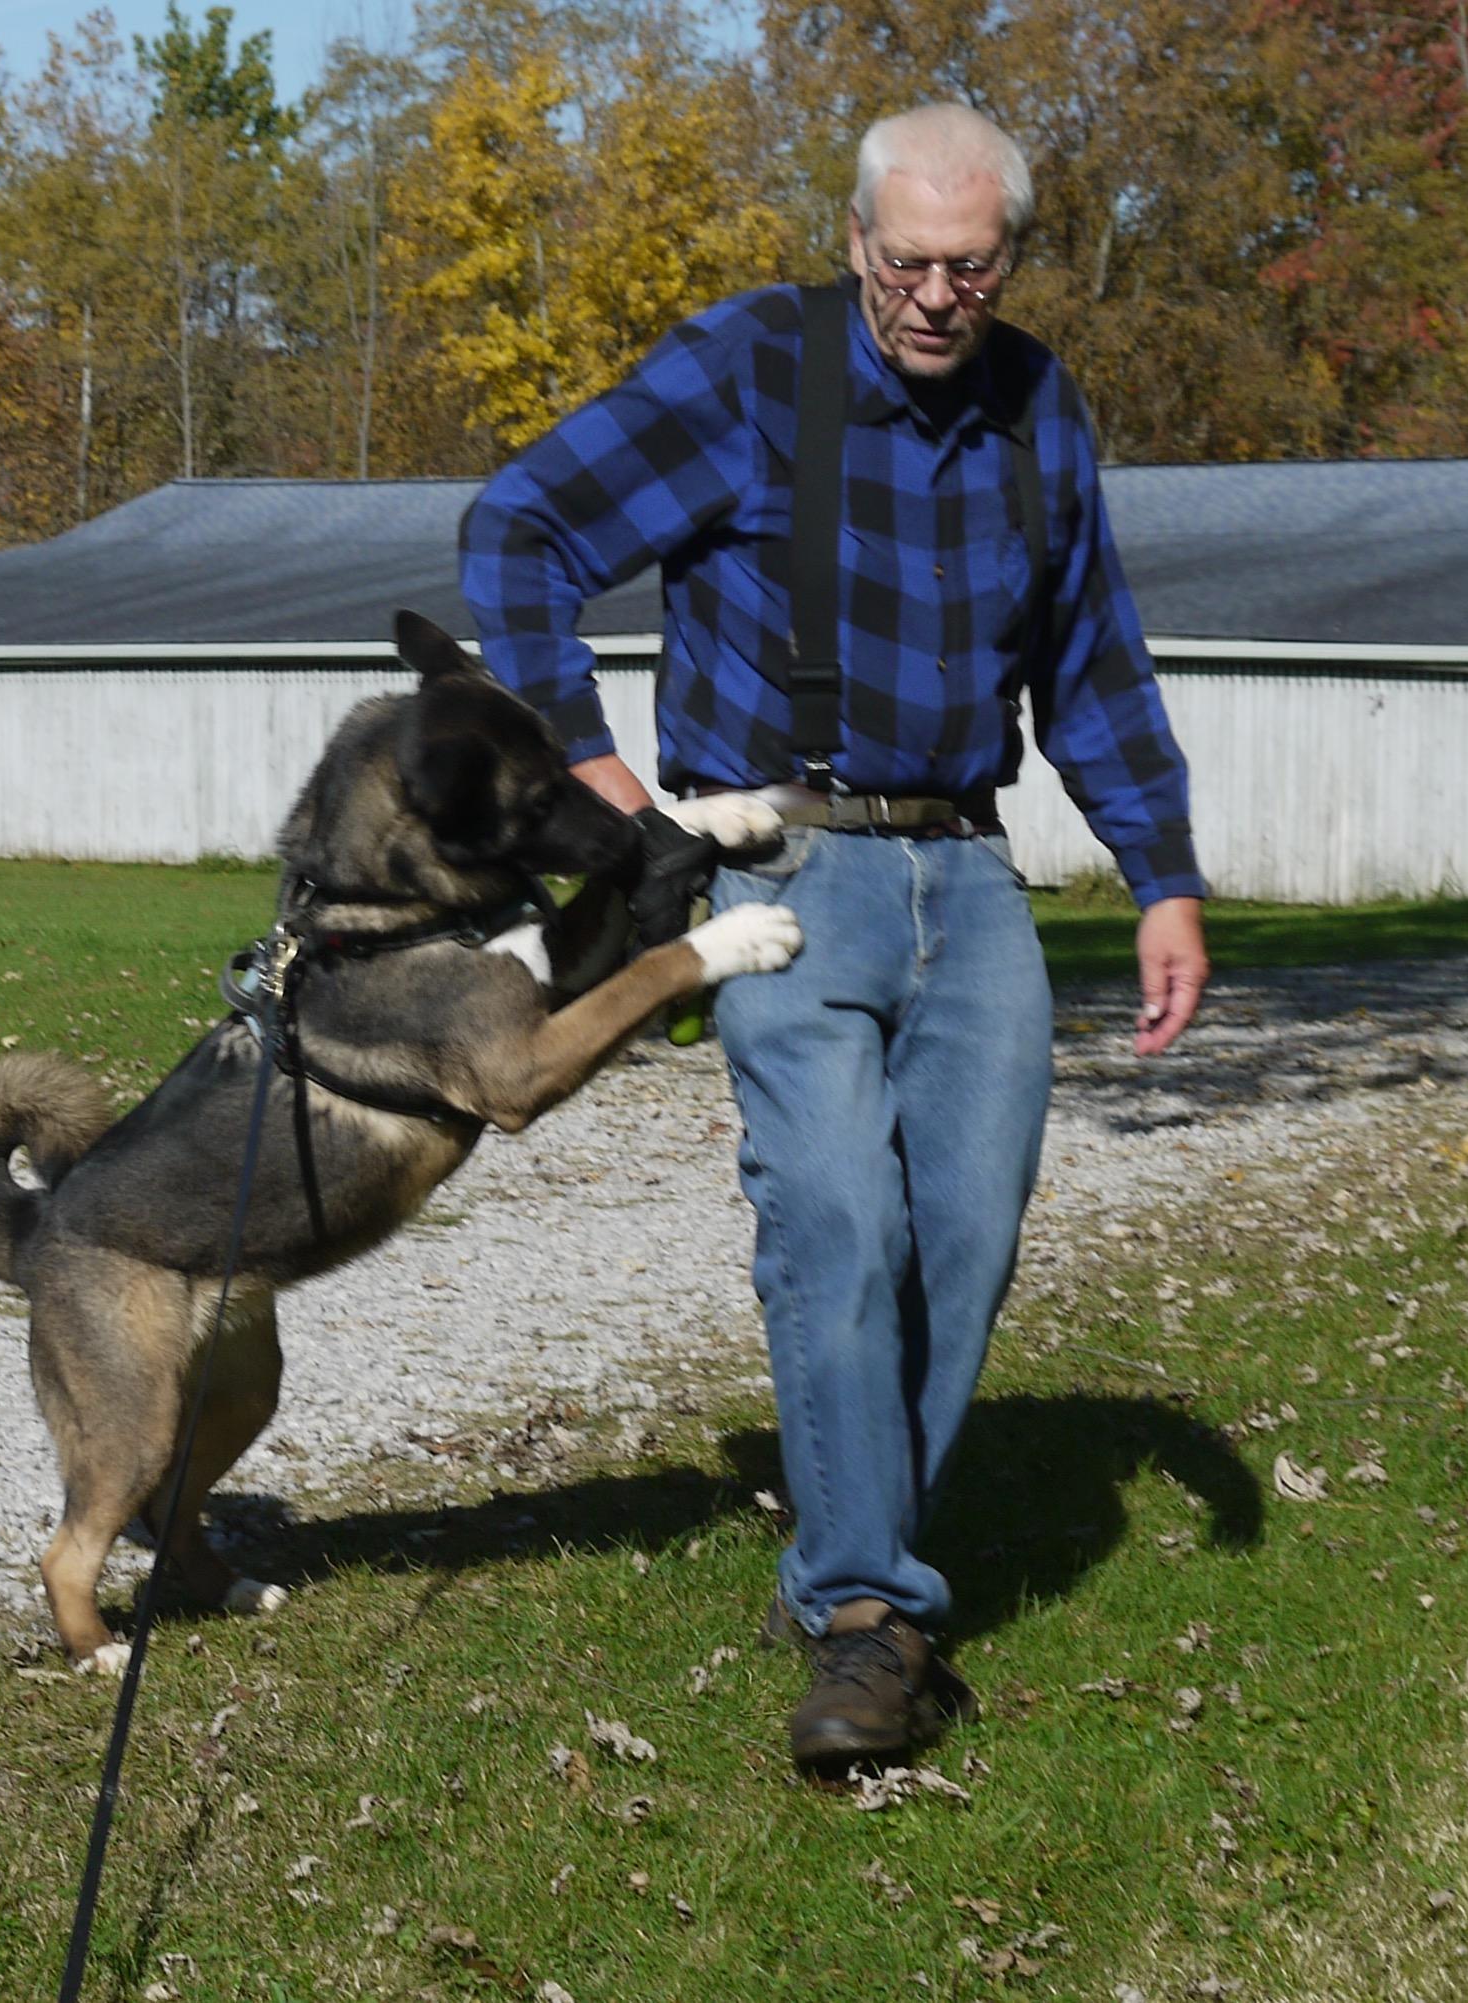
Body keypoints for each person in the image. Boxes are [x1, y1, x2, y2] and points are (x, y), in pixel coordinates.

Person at [460, 101, 1208, 1769]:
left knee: (963, 1235)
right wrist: (589, 763)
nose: (938, 296)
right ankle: (869, 1612)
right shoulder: (750, 370)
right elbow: (523, 530)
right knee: (833, 1220)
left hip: (970, 870)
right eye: (907, 262)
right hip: (784, 873)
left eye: (972, 266)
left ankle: (865, 1555)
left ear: (1008, 257)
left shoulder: (1036, 406)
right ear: (857, 242)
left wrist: (1162, 873)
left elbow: (1090, 652)